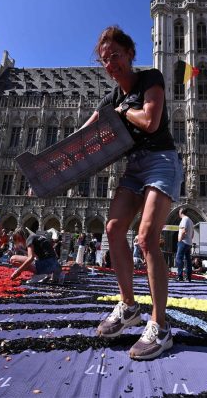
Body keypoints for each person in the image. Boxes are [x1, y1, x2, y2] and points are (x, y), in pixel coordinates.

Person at [82, 26, 182, 360]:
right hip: (134, 168)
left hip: (161, 162)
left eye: (115, 56)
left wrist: (124, 111)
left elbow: (151, 122)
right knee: (112, 229)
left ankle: (160, 325)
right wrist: (46, 171)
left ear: (129, 55)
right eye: (105, 59)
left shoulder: (150, 78)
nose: (110, 64)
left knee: (146, 237)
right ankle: (128, 306)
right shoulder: (110, 97)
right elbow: (84, 134)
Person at [175, 208, 194, 282]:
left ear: (181, 212)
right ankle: (188, 277)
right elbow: (192, 233)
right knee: (188, 260)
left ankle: (180, 276)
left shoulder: (184, 219)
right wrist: (190, 239)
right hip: (188, 242)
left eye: (179, 211)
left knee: (178, 258)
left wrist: (180, 239)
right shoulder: (191, 221)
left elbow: (183, 230)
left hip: (183, 242)